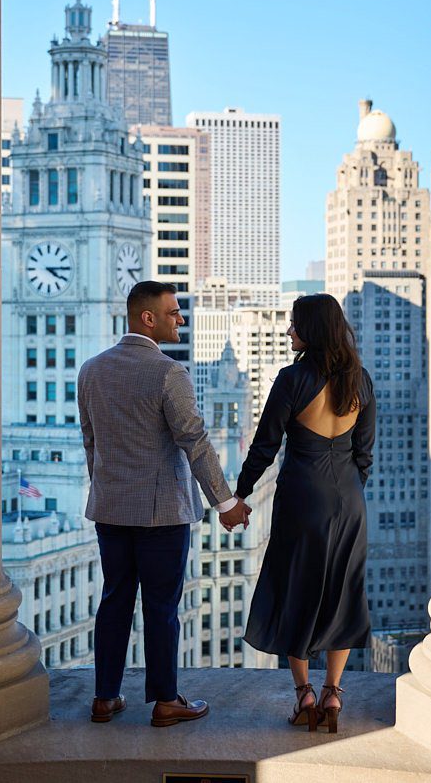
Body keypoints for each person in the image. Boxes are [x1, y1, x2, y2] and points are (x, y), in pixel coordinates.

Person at [79, 280, 252, 727]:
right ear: (147, 318)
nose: (181, 319)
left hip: (110, 509)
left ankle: (105, 698)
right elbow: (194, 440)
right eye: (174, 312)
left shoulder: (91, 370)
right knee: (161, 607)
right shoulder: (168, 373)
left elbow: (90, 442)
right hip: (161, 515)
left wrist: (105, 490)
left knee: (114, 599)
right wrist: (226, 501)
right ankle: (166, 700)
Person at [235, 293, 375, 733]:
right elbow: (364, 454)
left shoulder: (291, 379)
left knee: (293, 587)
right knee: (342, 591)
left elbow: (264, 447)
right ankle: (334, 693)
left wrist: (239, 495)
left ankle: (305, 696)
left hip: (301, 497)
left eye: (294, 324)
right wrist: (348, 494)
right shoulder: (361, 380)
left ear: (311, 330)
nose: (289, 331)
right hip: (349, 499)